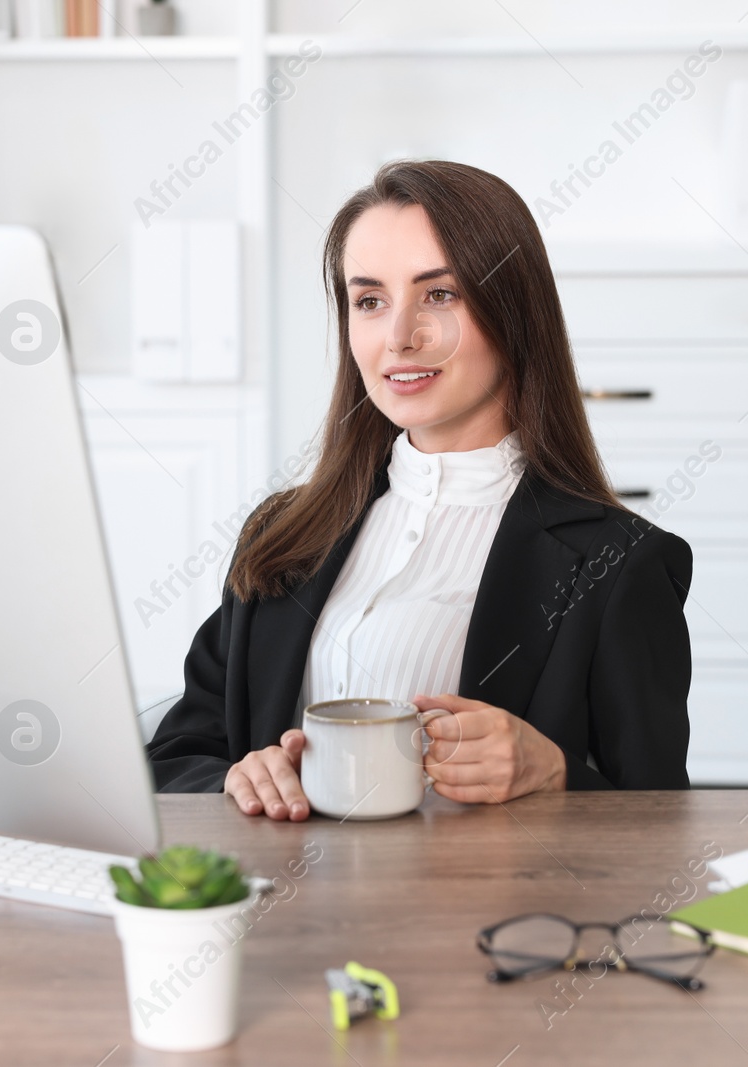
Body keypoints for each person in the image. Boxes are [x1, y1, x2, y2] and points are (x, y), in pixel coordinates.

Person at [145, 159, 692, 820]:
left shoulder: (618, 562)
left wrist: (554, 774)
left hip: (475, 919)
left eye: (440, 294)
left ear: (512, 311)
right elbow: (175, 756)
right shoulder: (281, 534)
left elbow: (659, 828)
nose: (400, 337)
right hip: (288, 919)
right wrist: (238, 778)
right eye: (369, 300)